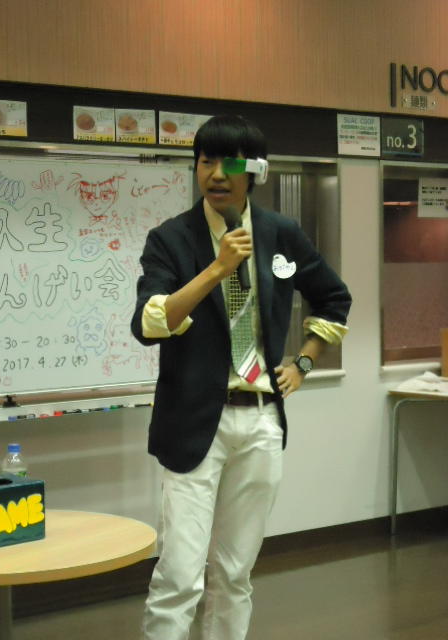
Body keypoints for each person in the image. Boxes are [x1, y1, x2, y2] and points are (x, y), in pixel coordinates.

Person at [131, 114, 351, 640]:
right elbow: (149, 323)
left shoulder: (280, 235)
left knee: (234, 574)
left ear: (255, 172)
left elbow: (334, 298)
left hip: (260, 422)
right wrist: (217, 269)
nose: (215, 174)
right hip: (192, 424)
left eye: (230, 164)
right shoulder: (171, 239)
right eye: (206, 161)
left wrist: (304, 362)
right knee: (179, 577)